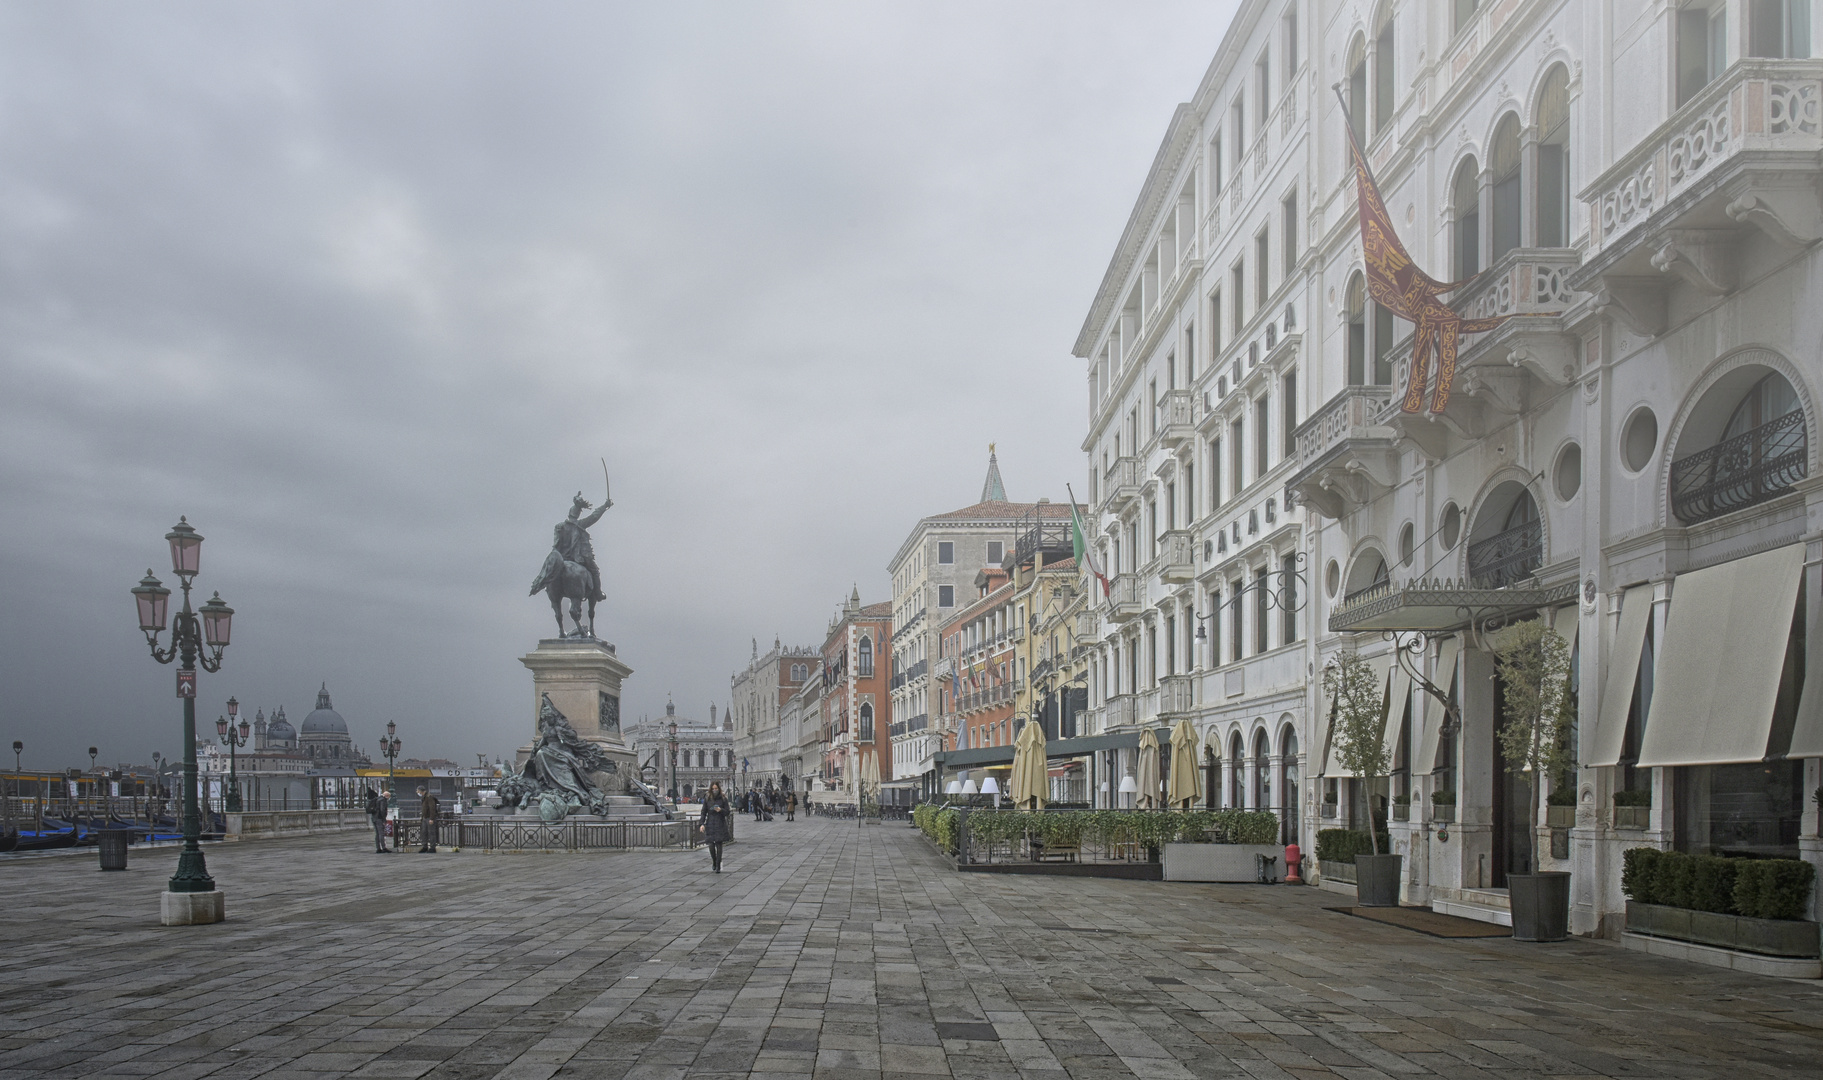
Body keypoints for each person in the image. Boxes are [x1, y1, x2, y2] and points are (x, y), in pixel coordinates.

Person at [701, 782, 732, 873]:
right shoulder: (707, 798)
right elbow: (703, 812)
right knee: (711, 845)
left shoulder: (723, 799)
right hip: (710, 823)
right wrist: (702, 824)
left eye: (716, 788)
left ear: (719, 789)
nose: (715, 790)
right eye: (713, 788)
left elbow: (727, 812)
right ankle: (714, 861)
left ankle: (718, 864)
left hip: (720, 823)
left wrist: (720, 810)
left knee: (719, 845)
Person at [365, 787, 389, 853]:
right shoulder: (382, 800)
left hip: (374, 818)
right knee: (381, 833)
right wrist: (384, 819)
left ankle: (378, 848)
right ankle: (384, 848)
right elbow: (382, 810)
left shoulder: (377, 799)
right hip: (379, 818)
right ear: (387, 796)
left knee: (377, 834)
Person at [417, 785, 439, 854]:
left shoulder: (429, 797)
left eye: (418, 791)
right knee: (424, 833)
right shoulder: (424, 797)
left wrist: (432, 818)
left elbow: (432, 808)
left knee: (431, 832)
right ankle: (425, 846)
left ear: (421, 791)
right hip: (425, 817)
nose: (417, 792)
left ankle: (432, 847)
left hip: (429, 817)